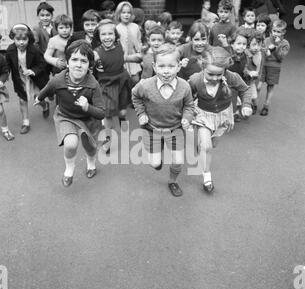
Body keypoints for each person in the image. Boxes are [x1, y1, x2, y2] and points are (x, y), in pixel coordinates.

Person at [35, 40, 106, 187]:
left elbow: (101, 113)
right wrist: (39, 98)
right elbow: (47, 89)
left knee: (90, 147)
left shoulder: (93, 85)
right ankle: (69, 169)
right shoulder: (58, 80)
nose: (78, 64)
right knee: (71, 144)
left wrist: (88, 107)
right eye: (74, 59)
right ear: (67, 62)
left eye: (84, 61)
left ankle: (91, 163)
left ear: (89, 65)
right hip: (66, 116)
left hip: (88, 119)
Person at [132, 43, 195, 197]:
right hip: (151, 129)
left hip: (175, 129)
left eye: (171, 66)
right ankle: (157, 159)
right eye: (161, 66)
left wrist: (187, 118)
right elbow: (136, 97)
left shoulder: (185, 87)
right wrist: (141, 114)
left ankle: (172, 181)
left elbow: (189, 106)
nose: (166, 71)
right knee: (154, 163)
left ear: (179, 66)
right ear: (154, 66)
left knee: (178, 161)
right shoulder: (145, 86)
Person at [189, 47, 252, 193]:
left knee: (213, 144)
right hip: (203, 115)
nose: (215, 78)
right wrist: (188, 111)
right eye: (210, 74)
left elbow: (245, 89)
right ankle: (207, 177)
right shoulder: (195, 80)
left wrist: (246, 105)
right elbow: (187, 97)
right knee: (206, 146)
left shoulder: (231, 77)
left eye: (219, 74)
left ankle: (202, 146)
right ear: (202, 66)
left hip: (223, 116)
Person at [93, 19, 133, 153]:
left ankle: (122, 117)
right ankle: (107, 139)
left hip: (122, 81)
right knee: (108, 115)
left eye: (110, 33)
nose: (107, 37)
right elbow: (92, 71)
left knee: (122, 111)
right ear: (98, 37)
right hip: (107, 85)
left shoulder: (120, 46)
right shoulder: (96, 53)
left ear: (115, 35)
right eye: (103, 34)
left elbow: (123, 59)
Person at [6, 24, 50, 134]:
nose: (21, 42)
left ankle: (45, 106)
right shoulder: (10, 50)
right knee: (22, 100)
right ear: (13, 38)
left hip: (35, 79)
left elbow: (42, 63)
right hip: (20, 79)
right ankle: (26, 123)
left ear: (28, 38)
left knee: (38, 98)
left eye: (24, 39)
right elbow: (7, 65)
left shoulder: (34, 49)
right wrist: (5, 75)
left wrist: (33, 71)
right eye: (18, 39)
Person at [259, 19, 290, 116]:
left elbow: (280, 57)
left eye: (278, 32)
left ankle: (266, 106)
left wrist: (276, 46)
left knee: (270, 86)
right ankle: (253, 103)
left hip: (274, 67)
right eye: (274, 31)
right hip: (263, 65)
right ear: (271, 30)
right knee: (258, 86)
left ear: (283, 32)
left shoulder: (285, 44)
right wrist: (265, 51)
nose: (276, 33)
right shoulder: (266, 40)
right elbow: (261, 52)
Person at [115, 1, 142, 85]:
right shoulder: (116, 28)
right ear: (119, 14)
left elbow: (139, 41)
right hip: (122, 59)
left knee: (135, 80)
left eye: (128, 12)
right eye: (123, 12)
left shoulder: (135, 27)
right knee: (123, 82)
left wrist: (140, 53)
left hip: (134, 58)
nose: (126, 15)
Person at [244, 31, 264, 114]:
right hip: (244, 78)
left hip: (252, 79)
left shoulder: (259, 54)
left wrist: (260, 79)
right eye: (254, 44)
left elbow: (258, 65)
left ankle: (254, 105)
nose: (257, 48)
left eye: (259, 45)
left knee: (254, 96)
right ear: (248, 44)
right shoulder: (245, 53)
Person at [0, 35, 14, 141]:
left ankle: (5, 130)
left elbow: (5, 71)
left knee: (0, 111)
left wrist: (1, 81)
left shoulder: (1, 58)